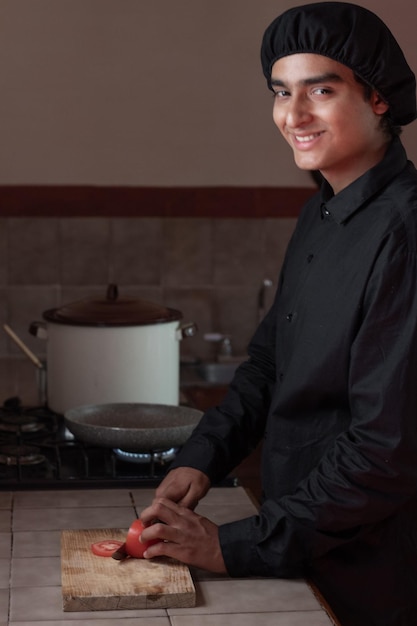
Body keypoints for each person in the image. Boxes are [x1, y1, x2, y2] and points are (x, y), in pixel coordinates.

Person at [140, 3, 417, 624]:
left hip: (374, 568)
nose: (294, 116)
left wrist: (233, 544)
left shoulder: (406, 234)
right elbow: (270, 362)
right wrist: (202, 456)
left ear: (379, 98)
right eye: (281, 92)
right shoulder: (320, 212)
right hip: (302, 543)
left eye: (321, 89)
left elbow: (386, 450)